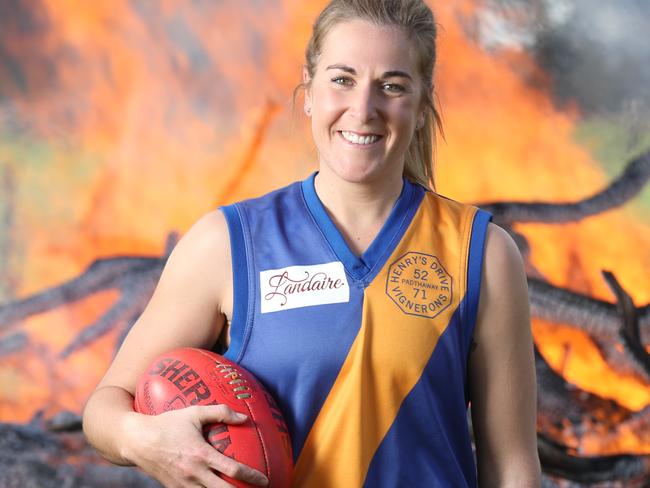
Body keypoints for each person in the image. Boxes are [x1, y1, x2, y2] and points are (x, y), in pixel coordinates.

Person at [83, 0, 541, 486]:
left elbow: (512, 465)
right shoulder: (227, 244)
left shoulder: (482, 253)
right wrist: (148, 442)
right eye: (342, 79)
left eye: (392, 86)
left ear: (423, 104)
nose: (363, 109)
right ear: (308, 90)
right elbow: (105, 406)